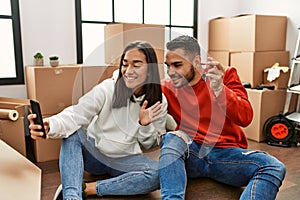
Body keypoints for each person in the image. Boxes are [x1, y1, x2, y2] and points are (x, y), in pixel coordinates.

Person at [28, 41, 167, 200]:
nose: (128, 71)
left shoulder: (159, 101)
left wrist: (144, 125)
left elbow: (150, 144)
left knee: (157, 174)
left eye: (136, 65)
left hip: (125, 159)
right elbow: (77, 113)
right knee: (74, 132)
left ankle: (87, 189)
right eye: (125, 64)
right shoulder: (108, 89)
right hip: (96, 156)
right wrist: (49, 125)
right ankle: (72, 196)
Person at [159, 35, 286, 200]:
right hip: (193, 155)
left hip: (227, 155)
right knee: (172, 138)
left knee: (274, 167)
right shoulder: (167, 87)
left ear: (196, 61)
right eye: (167, 66)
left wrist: (219, 89)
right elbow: (136, 94)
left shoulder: (225, 75)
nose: (171, 72)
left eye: (177, 65)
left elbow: (246, 117)